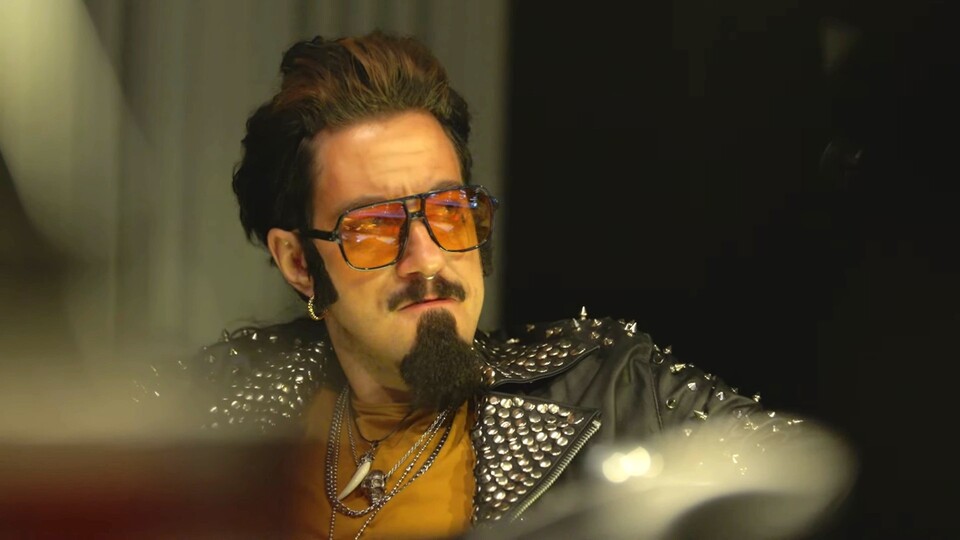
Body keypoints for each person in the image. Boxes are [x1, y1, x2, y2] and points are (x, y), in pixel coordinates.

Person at [146, 30, 855, 539]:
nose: (427, 257)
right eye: (374, 228)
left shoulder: (611, 391)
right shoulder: (218, 408)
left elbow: (830, 486)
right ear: (300, 262)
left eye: (449, 212)